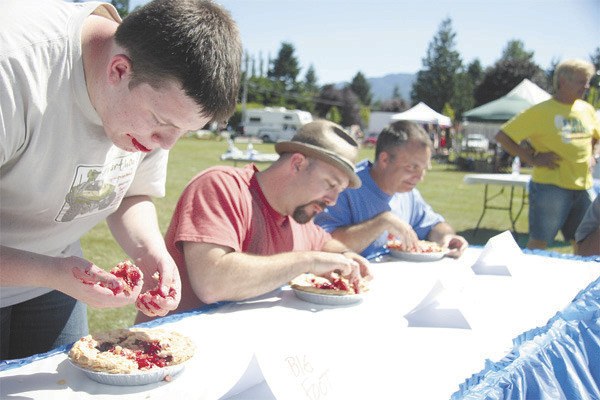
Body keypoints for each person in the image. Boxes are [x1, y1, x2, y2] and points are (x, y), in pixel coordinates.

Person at [0, 0, 242, 359]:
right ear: (118, 70)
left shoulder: (153, 88)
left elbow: (132, 192)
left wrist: (150, 250)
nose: (166, 144)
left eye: (184, 131)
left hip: (50, 276)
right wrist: (52, 271)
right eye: (164, 123)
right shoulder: (14, 67)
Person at [136, 120, 371, 322]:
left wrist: (346, 257)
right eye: (330, 185)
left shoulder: (297, 216)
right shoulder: (221, 186)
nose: (333, 200)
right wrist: (307, 261)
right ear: (297, 164)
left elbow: (326, 246)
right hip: (170, 352)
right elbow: (211, 282)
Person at [314, 120, 468, 260]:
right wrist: (382, 222)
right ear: (384, 159)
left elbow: (434, 225)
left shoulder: (408, 193)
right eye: (412, 167)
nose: (419, 177)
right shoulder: (345, 187)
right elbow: (323, 242)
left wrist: (447, 237)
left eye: (423, 169)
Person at [495, 59, 600, 250]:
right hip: (550, 188)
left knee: (584, 243)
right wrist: (531, 159)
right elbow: (503, 136)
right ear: (562, 81)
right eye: (581, 81)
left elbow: (595, 136)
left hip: (584, 186)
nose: (586, 86)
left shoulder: (587, 110)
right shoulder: (540, 111)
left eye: (587, 81)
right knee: (539, 242)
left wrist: (593, 154)